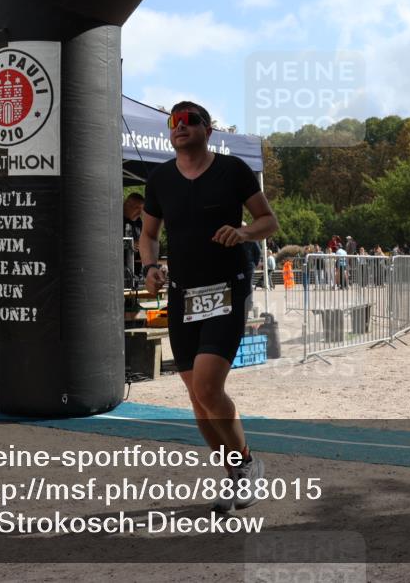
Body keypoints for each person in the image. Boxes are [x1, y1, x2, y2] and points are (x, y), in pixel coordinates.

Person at [140, 100, 279, 513]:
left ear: (208, 129)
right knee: (197, 400)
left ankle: (249, 465)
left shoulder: (232, 170)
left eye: (189, 121)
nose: (179, 126)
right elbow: (148, 234)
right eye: (173, 122)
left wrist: (242, 231)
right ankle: (237, 476)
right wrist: (150, 266)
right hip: (183, 293)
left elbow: (268, 222)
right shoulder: (161, 178)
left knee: (207, 387)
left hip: (226, 290)